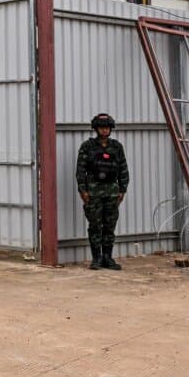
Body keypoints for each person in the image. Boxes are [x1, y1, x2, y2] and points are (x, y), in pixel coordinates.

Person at [76, 113, 129, 270]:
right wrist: (82, 190)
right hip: (94, 193)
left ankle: (108, 257)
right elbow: (80, 170)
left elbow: (123, 169)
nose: (104, 130)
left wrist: (122, 190)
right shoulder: (87, 146)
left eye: (107, 127)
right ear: (96, 128)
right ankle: (96, 258)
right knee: (95, 225)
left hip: (112, 193)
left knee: (109, 226)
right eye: (101, 127)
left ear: (111, 129)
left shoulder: (117, 147)